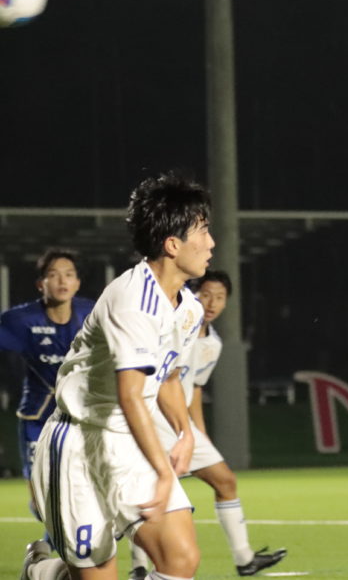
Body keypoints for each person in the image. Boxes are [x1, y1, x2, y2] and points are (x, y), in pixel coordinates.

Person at [24, 171, 214, 580]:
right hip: (79, 443)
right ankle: (41, 572)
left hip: (129, 442)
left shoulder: (189, 308)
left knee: (181, 559)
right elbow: (130, 394)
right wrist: (162, 470)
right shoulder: (132, 300)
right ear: (173, 244)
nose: (211, 243)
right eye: (203, 231)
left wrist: (184, 431)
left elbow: (166, 375)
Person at [127, 270, 286, 579]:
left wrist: (198, 433)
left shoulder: (213, 343)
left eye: (220, 297)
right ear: (192, 294)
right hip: (154, 418)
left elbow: (195, 388)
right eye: (206, 295)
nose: (212, 303)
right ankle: (139, 567)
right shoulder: (173, 324)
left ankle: (244, 558)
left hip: (181, 424)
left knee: (225, 481)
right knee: (154, 491)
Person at [0, 249, 94, 553]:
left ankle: (46, 557)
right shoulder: (20, 319)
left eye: (69, 274)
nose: (62, 281)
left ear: (77, 282)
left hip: (79, 418)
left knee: (77, 496)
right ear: (41, 284)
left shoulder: (92, 314)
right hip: (37, 418)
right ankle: (45, 555)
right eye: (53, 275)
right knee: (42, 504)